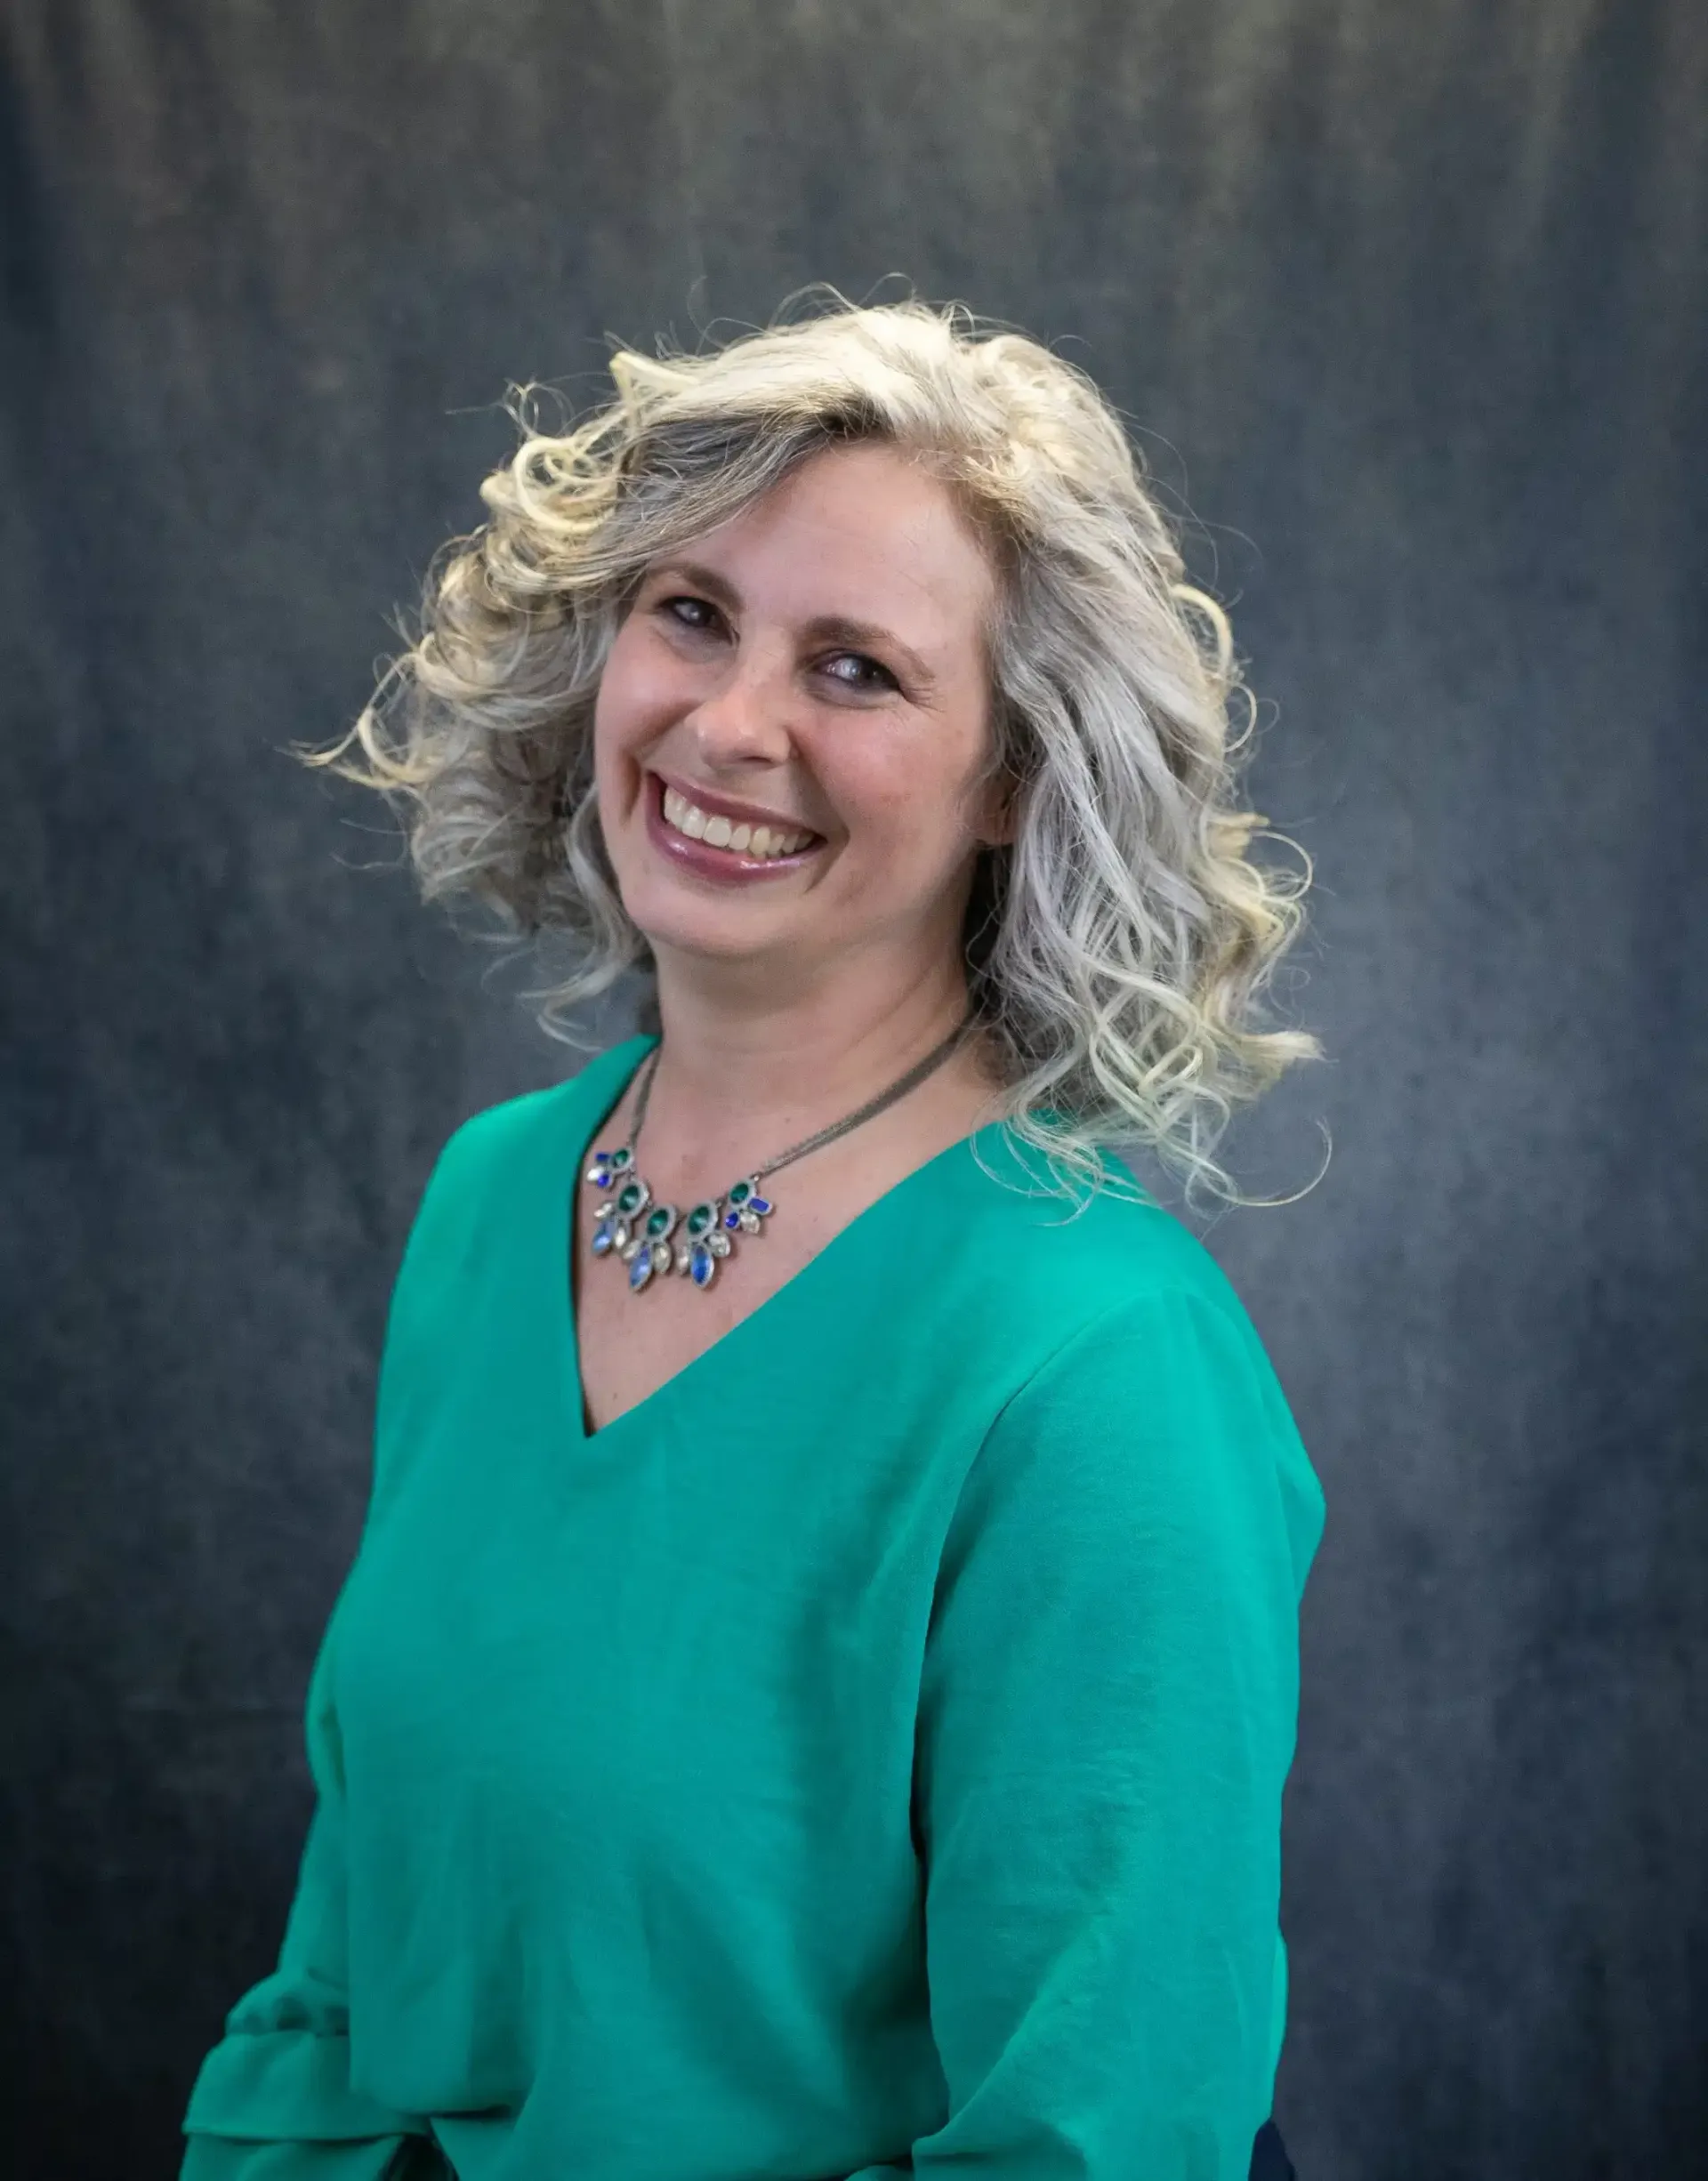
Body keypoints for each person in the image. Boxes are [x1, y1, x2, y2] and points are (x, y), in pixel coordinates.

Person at [180, 293, 1326, 2180]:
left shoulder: (1097, 1362)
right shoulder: (495, 1198)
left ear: (1015, 776)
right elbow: (361, 1953)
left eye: (858, 668)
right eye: (691, 612)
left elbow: (1091, 2143)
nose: (726, 724)